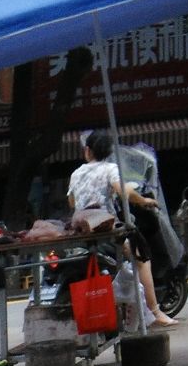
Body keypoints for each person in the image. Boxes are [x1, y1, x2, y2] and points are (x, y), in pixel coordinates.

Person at [67, 129, 175, 329]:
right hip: (105, 231)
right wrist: (144, 200)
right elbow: (123, 191)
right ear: (107, 152)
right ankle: (155, 310)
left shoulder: (76, 173)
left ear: (87, 151)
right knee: (142, 258)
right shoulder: (110, 169)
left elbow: (72, 202)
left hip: (81, 231)